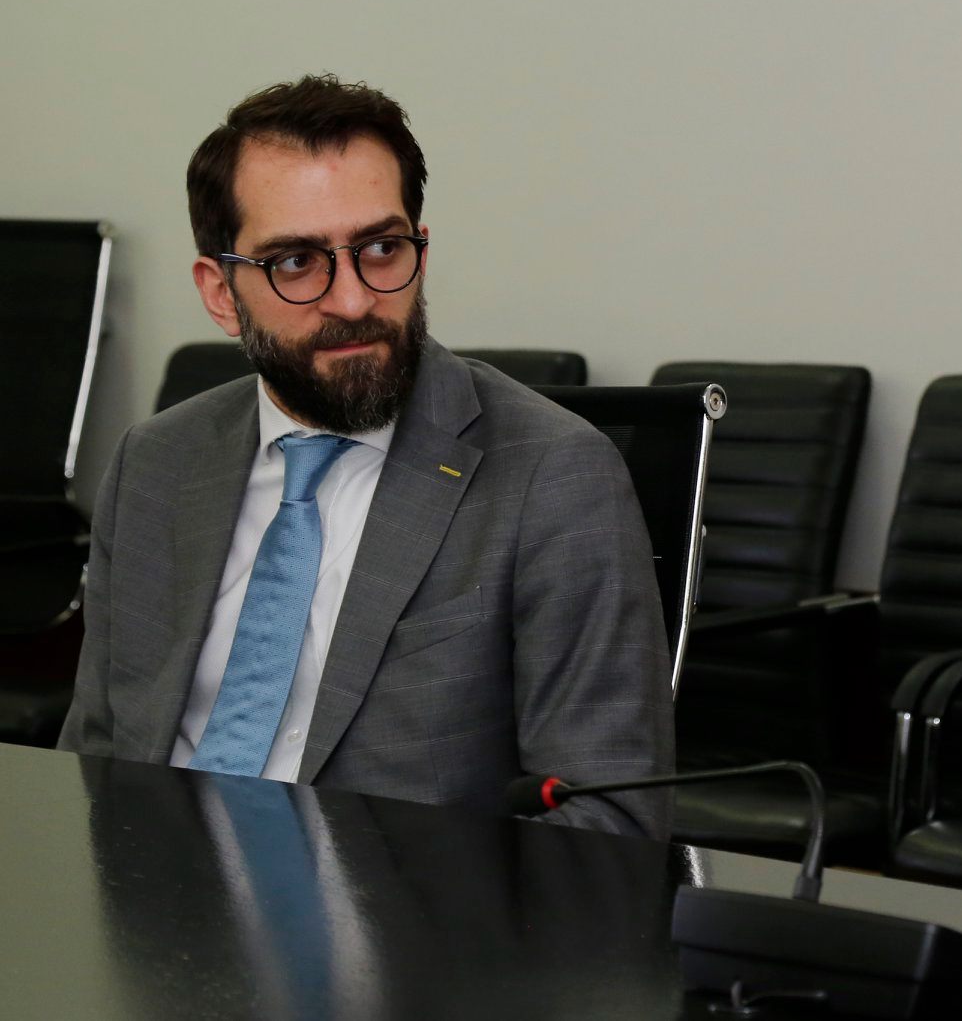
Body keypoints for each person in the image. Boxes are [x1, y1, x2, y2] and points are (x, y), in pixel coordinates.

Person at [59, 74, 671, 838]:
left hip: (396, 904)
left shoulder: (552, 476)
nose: (352, 300)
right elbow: (92, 761)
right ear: (220, 294)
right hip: (149, 887)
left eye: (382, 249)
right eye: (295, 262)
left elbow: (609, 822)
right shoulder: (157, 463)